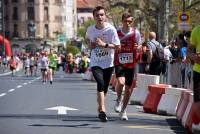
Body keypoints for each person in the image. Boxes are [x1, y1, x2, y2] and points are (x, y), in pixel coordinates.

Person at [85, 6, 120, 122]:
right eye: (97, 15)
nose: (100, 17)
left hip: (108, 63)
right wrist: (91, 45)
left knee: (104, 88)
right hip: (96, 62)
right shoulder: (90, 29)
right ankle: (103, 110)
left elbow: (117, 47)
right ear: (94, 17)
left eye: (102, 15)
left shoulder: (111, 29)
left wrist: (104, 45)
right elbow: (88, 42)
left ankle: (100, 107)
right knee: (100, 83)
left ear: (105, 16)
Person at [114, 12, 141, 120]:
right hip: (119, 61)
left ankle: (124, 111)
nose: (128, 23)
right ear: (122, 21)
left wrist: (138, 48)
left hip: (131, 62)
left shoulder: (136, 33)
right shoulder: (116, 33)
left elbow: (139, 46)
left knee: (129, 89)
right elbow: (112, 45)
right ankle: (118, 99)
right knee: (121, 82)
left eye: (130, 21)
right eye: (126, 21)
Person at [188, 25, 200, 133]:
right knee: (198, 101)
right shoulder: (196, 30)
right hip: (198, 71)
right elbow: (189, 50)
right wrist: (194, 57)